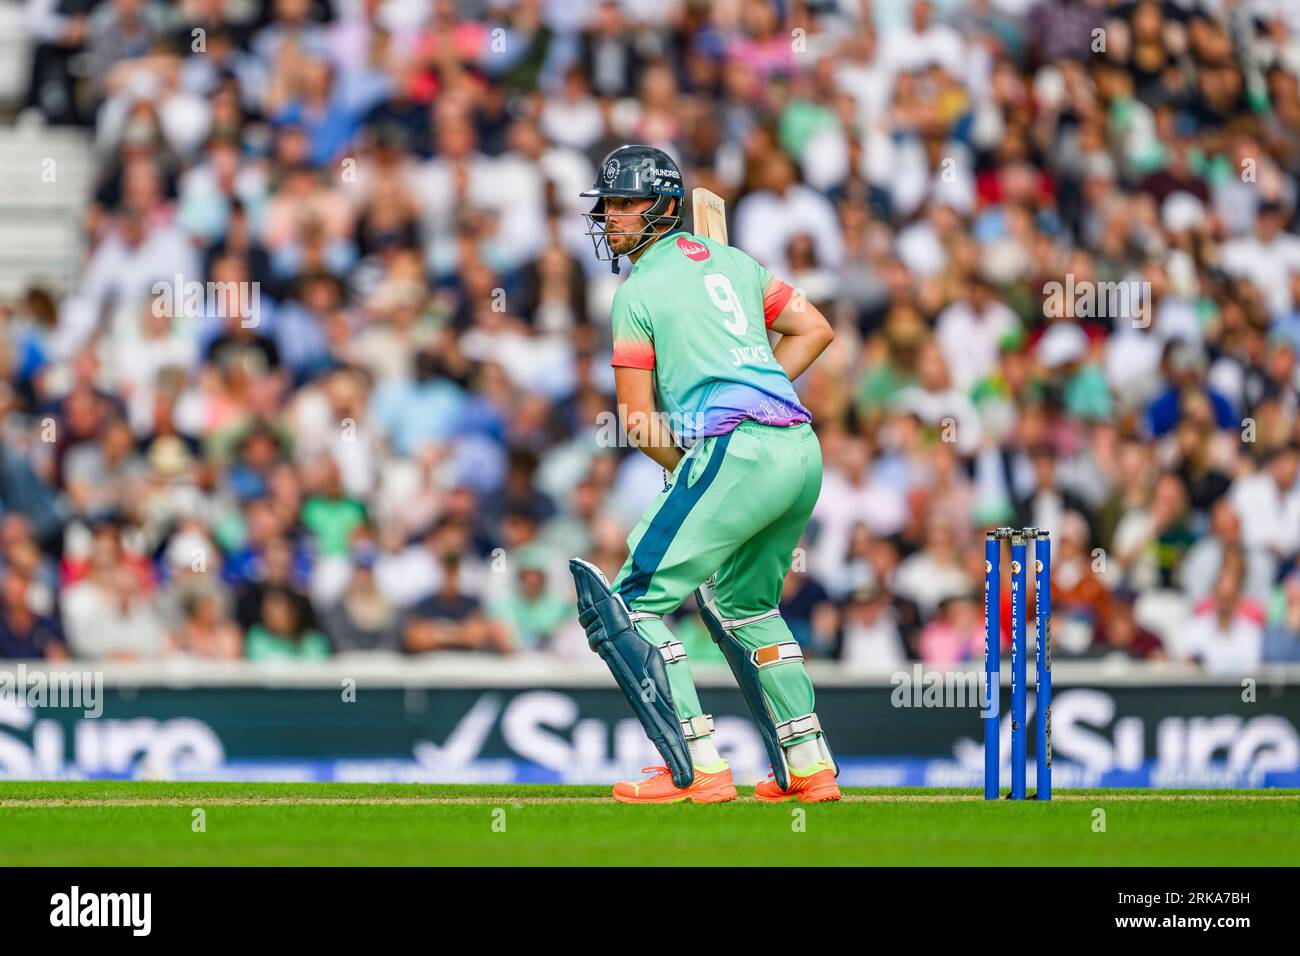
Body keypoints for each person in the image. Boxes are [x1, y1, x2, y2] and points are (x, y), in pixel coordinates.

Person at [568, 144, 839, 804]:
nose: (610, 218)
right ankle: (808, 764)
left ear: (662, 208)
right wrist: (761, 384)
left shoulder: (635, 292)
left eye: (624, 205)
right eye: (606, 207)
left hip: (735, 450)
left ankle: (694, 764)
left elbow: (636, 422)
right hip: (800, 446)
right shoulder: (737, 261)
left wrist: (688, 463)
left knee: (632, 600)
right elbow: (816, 330)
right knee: (747, 606)